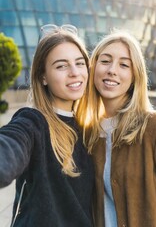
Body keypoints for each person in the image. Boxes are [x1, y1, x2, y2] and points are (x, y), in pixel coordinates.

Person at [79, 30, 156, 227]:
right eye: (105, 61)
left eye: (124, 64)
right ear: (92, 68)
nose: (112, 70)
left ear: (135, 75)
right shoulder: (88, 134)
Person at [0, 25, 94, 227]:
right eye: (61, 66)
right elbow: (10, 144)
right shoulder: (33, 122)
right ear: (43, 77)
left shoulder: (90, 129)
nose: (75, 72)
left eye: (79, 63)